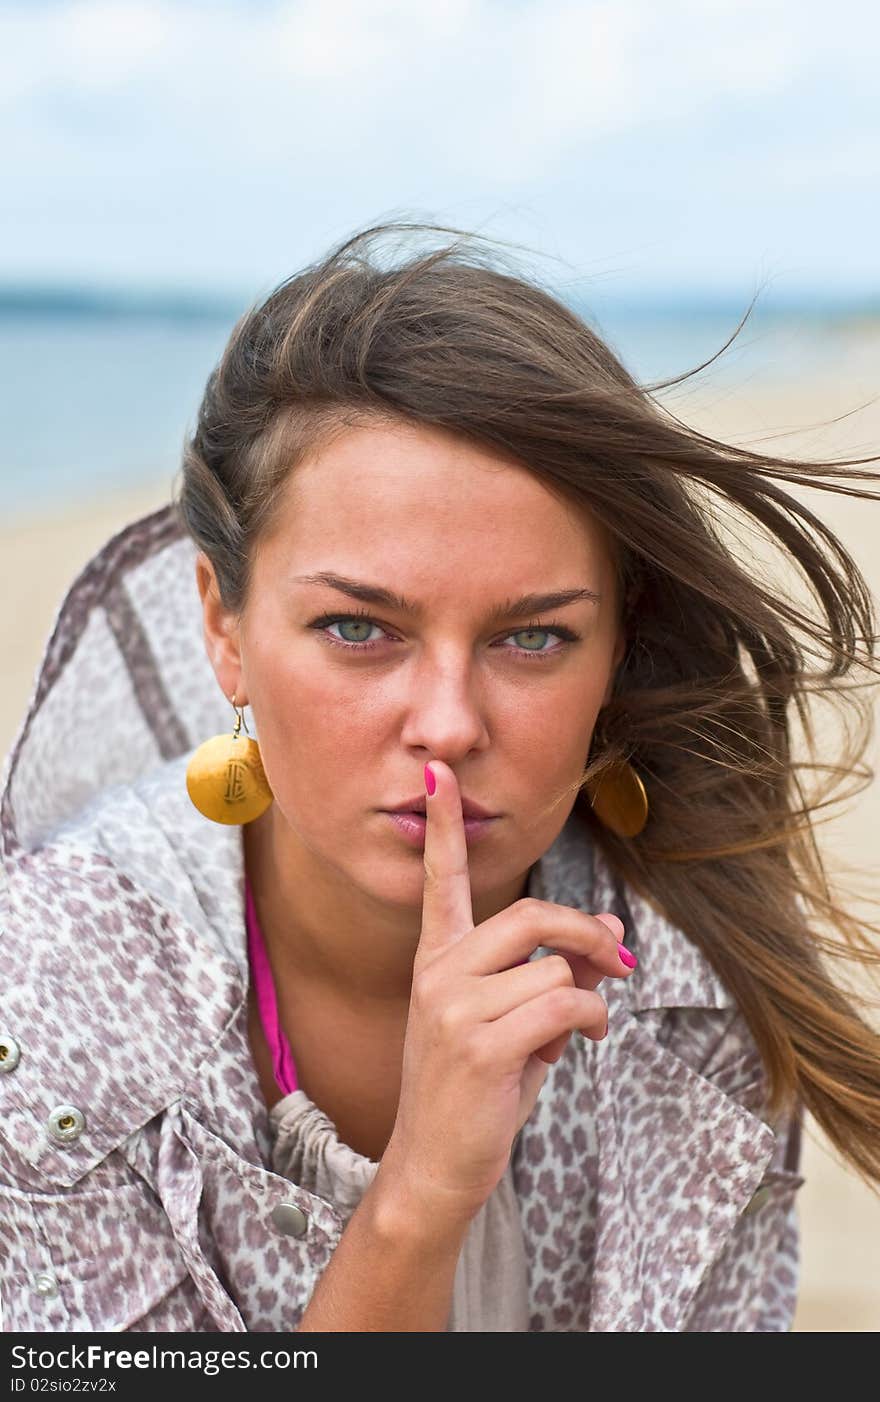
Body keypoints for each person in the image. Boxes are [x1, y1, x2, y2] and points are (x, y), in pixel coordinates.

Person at [2, 222, 879, 1334]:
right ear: (223, 627)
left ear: (616, 647)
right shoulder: (43, 993)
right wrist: (418, 1198)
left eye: (533, 639)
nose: (449, 723)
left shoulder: (688, 987)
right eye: (359, 627)